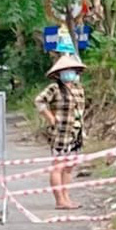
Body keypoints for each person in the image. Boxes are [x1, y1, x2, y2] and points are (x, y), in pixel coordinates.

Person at [34, 48, 88, 210]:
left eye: (71, 71)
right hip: (61, 133)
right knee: (58, 166)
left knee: (69, 167)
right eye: (65, 71)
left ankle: (67, 198)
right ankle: (59, 200)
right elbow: (39, 101)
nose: (69, 74)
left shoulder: (78, 89)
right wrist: (51, 118)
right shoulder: (54, 89)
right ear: (59, 74)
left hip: (76, 133)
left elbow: (80, 110)